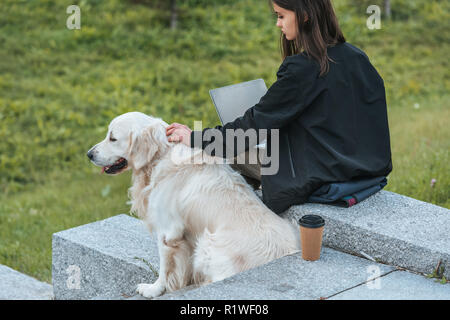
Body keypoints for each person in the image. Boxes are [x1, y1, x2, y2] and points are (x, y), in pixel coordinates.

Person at [166, 0, 392, 214]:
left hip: (321, 174)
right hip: (364, 167)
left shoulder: (304, 69)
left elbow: (252, 128)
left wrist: (194, 138)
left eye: (282, 16)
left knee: (223, 153)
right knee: (247, 144)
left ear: (304, 16)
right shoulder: (356, 56)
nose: (278, 24)